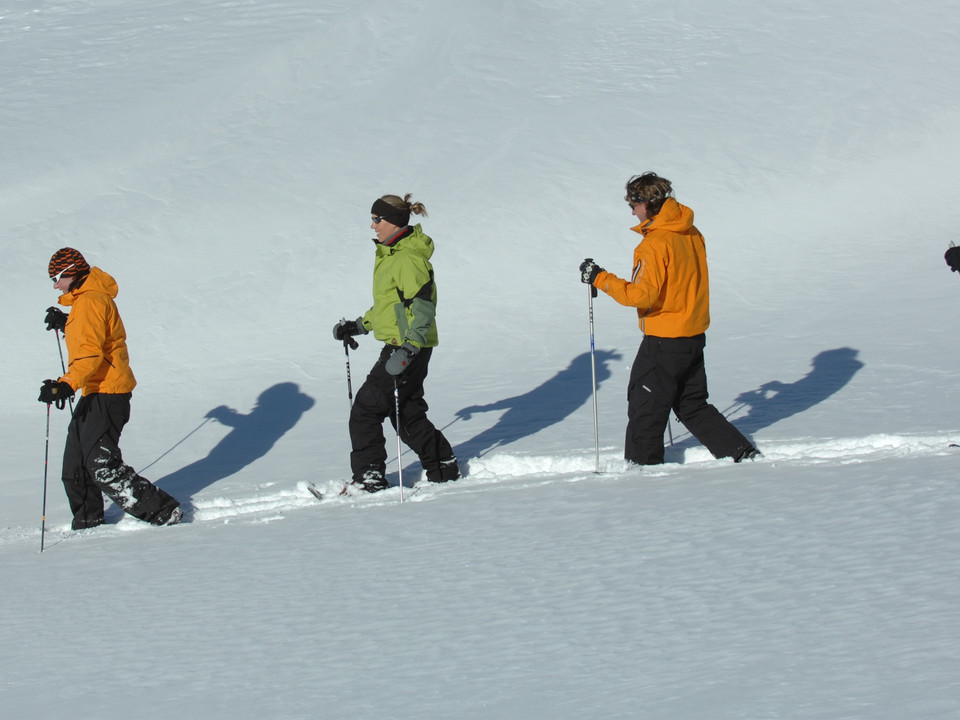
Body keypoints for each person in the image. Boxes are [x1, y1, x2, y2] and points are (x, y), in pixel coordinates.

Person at [579, 172, 759, 466]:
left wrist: (600, 278)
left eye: (633, 205)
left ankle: (644, 470)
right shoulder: (690, 232)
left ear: (647, 202)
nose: (632, 212)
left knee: (645, 407)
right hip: (692, 335)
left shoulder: (654, 243)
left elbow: (641, 296)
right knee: (692, 404)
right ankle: (740, 452)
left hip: (664, 340)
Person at [39, 248, 182, 529]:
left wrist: (65, 385)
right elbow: (93, 338)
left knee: (101, 465)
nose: (55, 285)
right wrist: (67, 324)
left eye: (56, 278)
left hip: (109, 392)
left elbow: (91, 354)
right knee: (76, 466)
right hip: (95, 391)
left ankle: (165, 512)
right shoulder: (84, 301)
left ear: (71, 273)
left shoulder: (91, 300)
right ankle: (88, 521)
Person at [333, 194, 460, 492]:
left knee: (366, 410)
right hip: (404, 345)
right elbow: (390, 306)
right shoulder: (391, 254)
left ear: (393, 221)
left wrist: (409, 347)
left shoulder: (407, 258)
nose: (373, 225)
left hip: (406, 348)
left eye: (377, 220)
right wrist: (359, 325)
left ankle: (369, 477)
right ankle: (442, 465)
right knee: (406, 412)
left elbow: (423, 306)